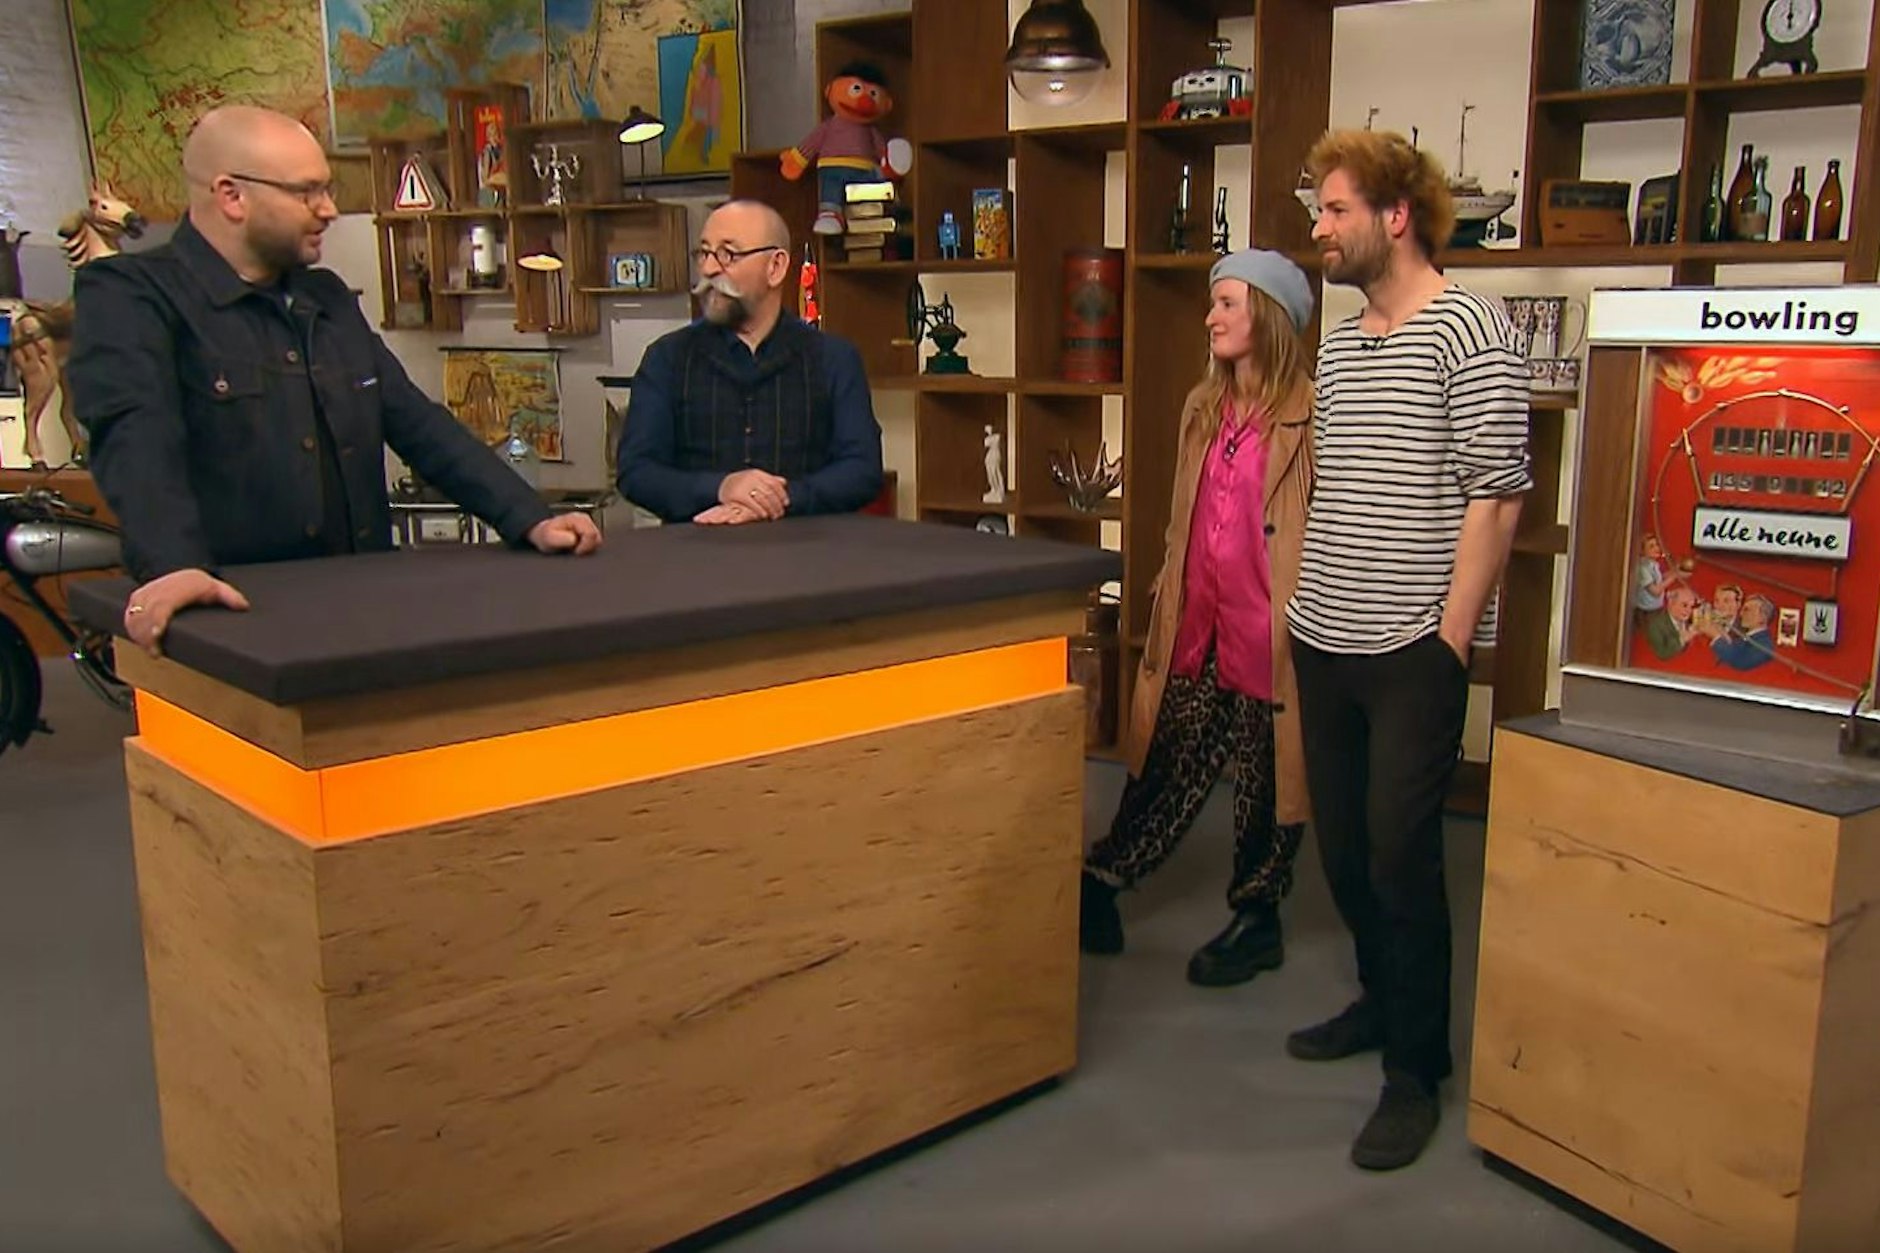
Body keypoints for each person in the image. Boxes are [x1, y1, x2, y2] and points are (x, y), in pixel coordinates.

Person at [66, 106, 599, 657]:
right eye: (307, 192)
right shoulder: (132, 294)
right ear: (232, 196)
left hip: (363, 617)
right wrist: (173, 565)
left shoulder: (325, 298)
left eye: (327, 189)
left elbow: (419, 425)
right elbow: (135, 438)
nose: (329, 210)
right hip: (233, 623)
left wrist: (528, 518)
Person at [1286, 128, 1530, 1172]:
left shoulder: (1469, 327)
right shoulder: (1342, 342)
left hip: (1411, 648)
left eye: (1335, 209)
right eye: (1318, 210)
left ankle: (1414, 1067)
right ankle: (1380, 1000)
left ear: (1395, 216)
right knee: (1342, 851)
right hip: (1323, 633)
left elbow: (1496, 493)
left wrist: (1449, 642)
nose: (1319, 228)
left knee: (1401, 854)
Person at [1079, 249, 1318, 989]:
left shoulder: (1312, 415)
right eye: (1212, 303)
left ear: (1268, 317)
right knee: (1165, 758)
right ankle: (1101, 881)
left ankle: (1257, 917)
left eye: (1227, 303)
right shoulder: (1201, 407)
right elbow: (1185, 515)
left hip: (1272, 629)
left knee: (1266, 782)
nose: (1211, 317)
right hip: (1198, 618)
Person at [616, 199, 883, 525]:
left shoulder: (834, 359)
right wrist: (721, 488)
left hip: (809, 550)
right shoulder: (667, 358)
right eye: (704, 253)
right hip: (696, 548)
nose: (709, 269)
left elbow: (862, 470)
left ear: (775, 267)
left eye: (727, 254)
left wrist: (778, 499)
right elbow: (637, 471)